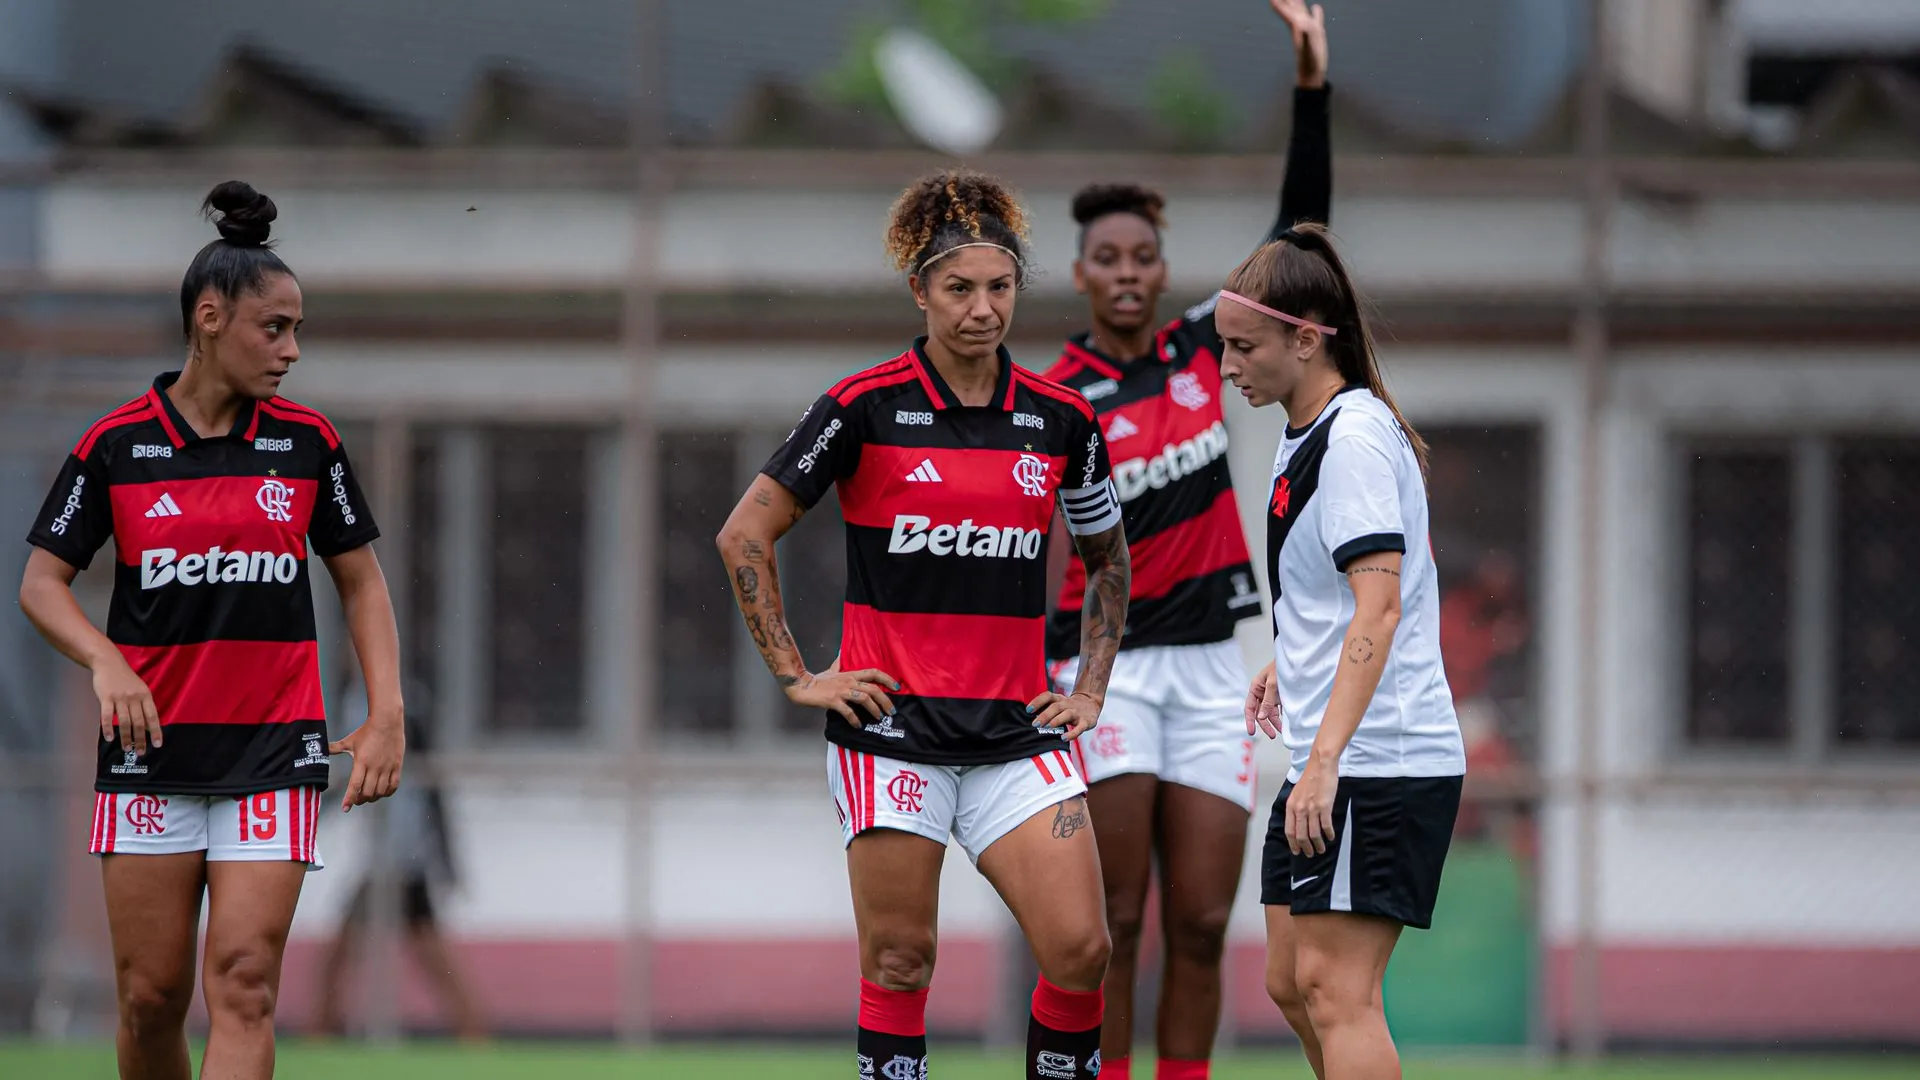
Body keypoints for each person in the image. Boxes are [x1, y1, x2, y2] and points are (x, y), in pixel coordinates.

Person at [715, 170, 1130, 1080]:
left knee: (1082, 949)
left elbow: (1108, 559)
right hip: (893, 734)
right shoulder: (861, 407)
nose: (982, 309)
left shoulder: (1063, 420)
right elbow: (745, 534)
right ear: (920, 290)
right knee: (903, 961)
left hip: (1018, 735)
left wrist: (1091, 688)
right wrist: (797, 676)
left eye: (1000, 287)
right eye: (959, 288)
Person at [18, 181, 404, 1080]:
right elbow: (41, 585)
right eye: (275, 329)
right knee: (150, 998)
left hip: (273, 751)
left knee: (243, 984)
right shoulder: (116, 445)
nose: (292, 350)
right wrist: (106, 661)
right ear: (209, 319)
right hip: (150, 754)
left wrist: (387, 712)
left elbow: (361, 582)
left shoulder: (307, 444)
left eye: (297, 330)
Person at [1039, 3, 1330, 1076]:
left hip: (1212, 668)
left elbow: (1300, 243)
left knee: (1203, 922)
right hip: (1108, 675)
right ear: (1081, 275)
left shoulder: (1204, 350)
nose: (1126, 271)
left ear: (1163, 272)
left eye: (1143, 256)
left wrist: (1310, 88)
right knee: (1116, 919)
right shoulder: (1054, 397)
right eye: (1106, 258)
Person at [1218, 223, 1465, 1080]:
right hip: (1332, 754)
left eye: (1245, 347)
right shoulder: (1307, 431)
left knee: (1336, 991)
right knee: (1292, 981)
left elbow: (1380, 608)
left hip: (1375, 759)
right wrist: (1290, 660)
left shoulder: (1352, 438)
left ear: (1306, 339)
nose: (1229, 365)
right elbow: (1338, 598)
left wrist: (1324, 761)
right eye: (1225, 346)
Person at [314, 678, 485, 1042]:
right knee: (427, 956)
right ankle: (475, 1034)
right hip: (392, 858)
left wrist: (440, 857)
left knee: (345, 954)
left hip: (397, 861)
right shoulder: (362, 699)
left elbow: (427, 791)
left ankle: (319, 1032)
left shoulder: (395, 702)